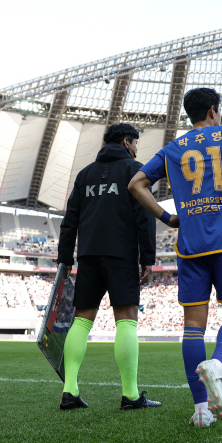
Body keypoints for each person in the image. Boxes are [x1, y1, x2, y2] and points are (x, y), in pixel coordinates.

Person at [128, 87, 222, 427]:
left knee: (193, 326)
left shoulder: (171, 149)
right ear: (213, 110)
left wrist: (168, 218)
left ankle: (200, 408)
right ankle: (218, 365)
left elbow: (136, 184)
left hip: (190, 241)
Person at [57, 123, 160, 411]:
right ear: (127, 142)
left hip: (88, 255)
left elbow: (70, 220)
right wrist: (147, 259)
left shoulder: (85, 174)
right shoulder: (134, 170)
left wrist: (65, 259)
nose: (137, 148)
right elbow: (145, 216)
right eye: (136, 143)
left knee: (82, 321)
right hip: (121, 255)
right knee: (126, 319)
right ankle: (130, 395)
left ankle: (69, 391)